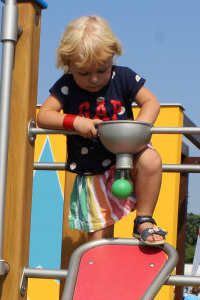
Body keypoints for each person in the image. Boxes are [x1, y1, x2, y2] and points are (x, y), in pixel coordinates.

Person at [36, 16, 165, 244]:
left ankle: (144, 219)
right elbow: (44, 116)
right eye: (84, 73)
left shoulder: (122, 77)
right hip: (92, 167)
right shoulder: (67, 85)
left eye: (102, 70)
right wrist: (75, 121)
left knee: (151, 159)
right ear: (68, 64)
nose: (94, 79)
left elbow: (151, 103)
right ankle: (100, 266)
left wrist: (138, 131)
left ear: (112, 56)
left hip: (126, 156)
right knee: (100, 235)